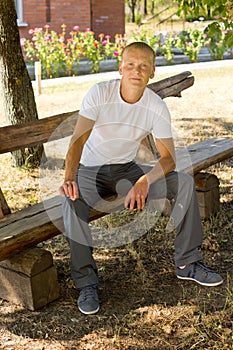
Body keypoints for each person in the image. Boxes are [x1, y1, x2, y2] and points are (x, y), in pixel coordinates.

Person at [59, 42, 223, 315]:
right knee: (70, 200)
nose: (137, 70)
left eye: (144, 66)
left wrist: (144, 180)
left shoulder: (155, 106)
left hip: (127, 168)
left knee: (181, 183)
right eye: (131, 65)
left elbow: (168, 158)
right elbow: (77, 141)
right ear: (121, 67)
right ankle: (86, 283)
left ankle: (187, 263)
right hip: (91, 169)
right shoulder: (100, 93)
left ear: (152, 72)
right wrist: (68, 176)